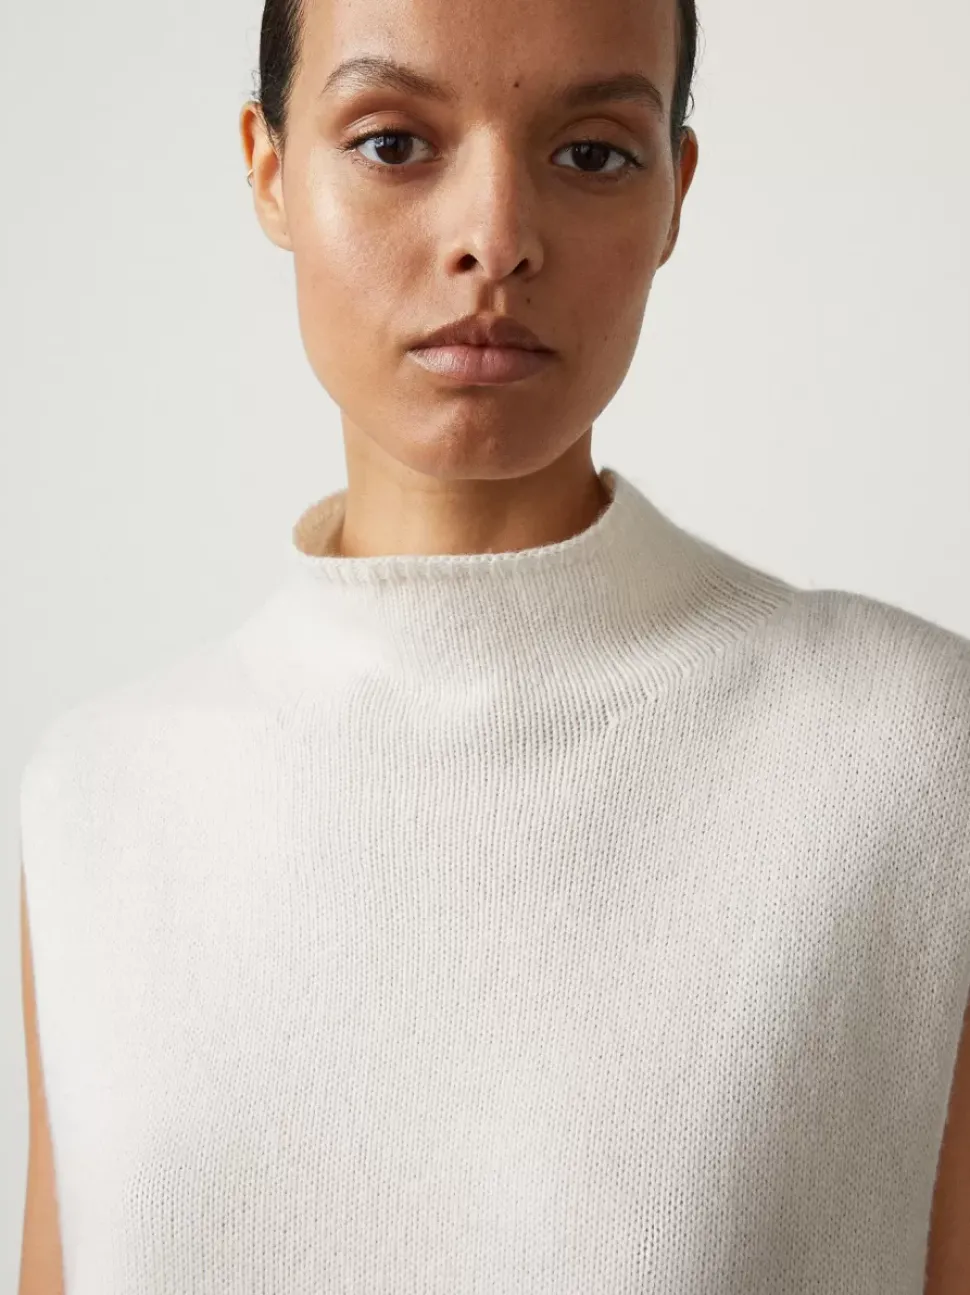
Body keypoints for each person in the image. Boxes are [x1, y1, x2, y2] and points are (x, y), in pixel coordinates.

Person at [17, 0, 970, 1290]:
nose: (495, 238)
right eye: (393, 143)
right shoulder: (98, 800)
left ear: (674, 195)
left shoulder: (914, 763)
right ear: (268, 168)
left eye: (592, 154)